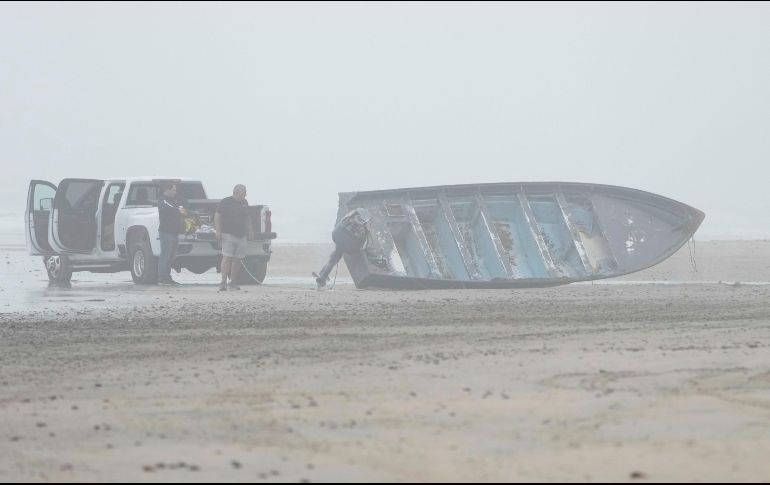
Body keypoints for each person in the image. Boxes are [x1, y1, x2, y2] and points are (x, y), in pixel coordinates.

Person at [215, 184, 254, 291]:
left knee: (238, 259)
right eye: (244, 192)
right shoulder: (226, 202)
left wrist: (250, 230)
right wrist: (218, 230)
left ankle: (233, 282)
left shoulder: (244, 202)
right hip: (228, 234)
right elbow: (217, 215)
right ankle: (223, 282)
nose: (246, 194)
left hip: (241, 235)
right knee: (227, 257)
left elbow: (247, 217)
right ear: (237, 192)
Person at [157, 183, 187, 285]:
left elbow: (185, 203)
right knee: (165, 255)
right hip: (166, 232)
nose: (175, 192)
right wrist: (179, 210)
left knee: (172, 256)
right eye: (174, 190)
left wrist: (181, 207)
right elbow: (168, 208)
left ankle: (168, 277)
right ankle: (162, 278)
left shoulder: (176, 199)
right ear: (167, 189)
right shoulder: (162, 200)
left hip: (175, 232)